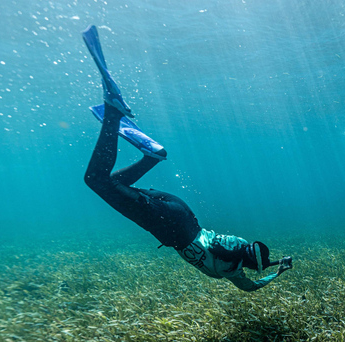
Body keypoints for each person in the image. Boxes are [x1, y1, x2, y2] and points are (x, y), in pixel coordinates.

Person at [81, 25, 292, 292]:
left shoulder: (239, 247)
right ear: (248, 264)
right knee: (96, 180)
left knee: (112, 183)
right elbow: (249, 285)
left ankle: (152, 157)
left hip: (180, 211)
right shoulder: (231, 269)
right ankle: (113, 111)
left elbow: (248, 266)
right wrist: (274, 272)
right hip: (166, 225)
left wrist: (276, 266)